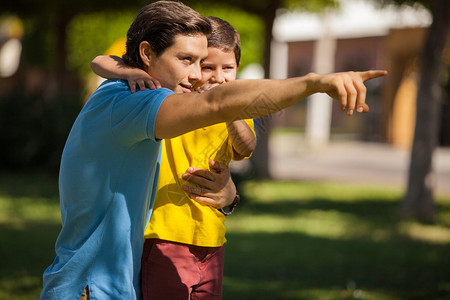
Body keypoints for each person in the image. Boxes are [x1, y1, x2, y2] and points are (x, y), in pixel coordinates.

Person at [40, 1, 387, 299]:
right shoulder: (130, 102)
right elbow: (216, 103)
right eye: (187, 60)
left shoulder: (129, 97)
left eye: (200, 62)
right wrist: (313, 83)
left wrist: (230, 196)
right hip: (89, 289)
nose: (196, 76)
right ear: (147, 53)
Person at [92, 16, 256, 300]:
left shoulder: (237, 111)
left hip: (212, 237)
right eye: (208, 68)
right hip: (165, 235)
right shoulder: (175, 95)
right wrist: (129, 73)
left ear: (237, 68)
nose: (218, 77)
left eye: (227, 68)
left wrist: (230, 110)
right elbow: (99, 61)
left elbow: (247, 147)